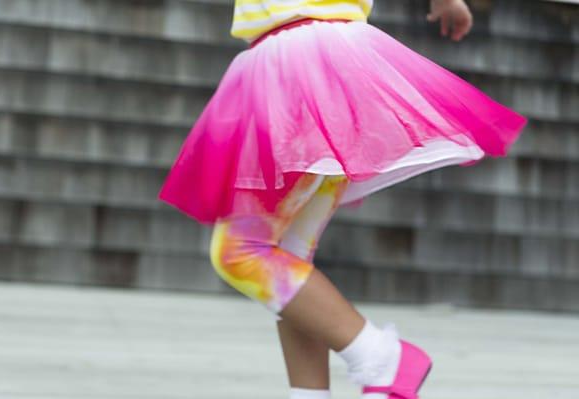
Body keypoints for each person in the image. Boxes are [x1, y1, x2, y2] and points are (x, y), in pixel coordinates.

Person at [157, 0, 527, 398]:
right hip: (320, 64)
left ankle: (381, 357)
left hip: (302, 62)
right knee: (289, 257)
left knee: (239, 253)